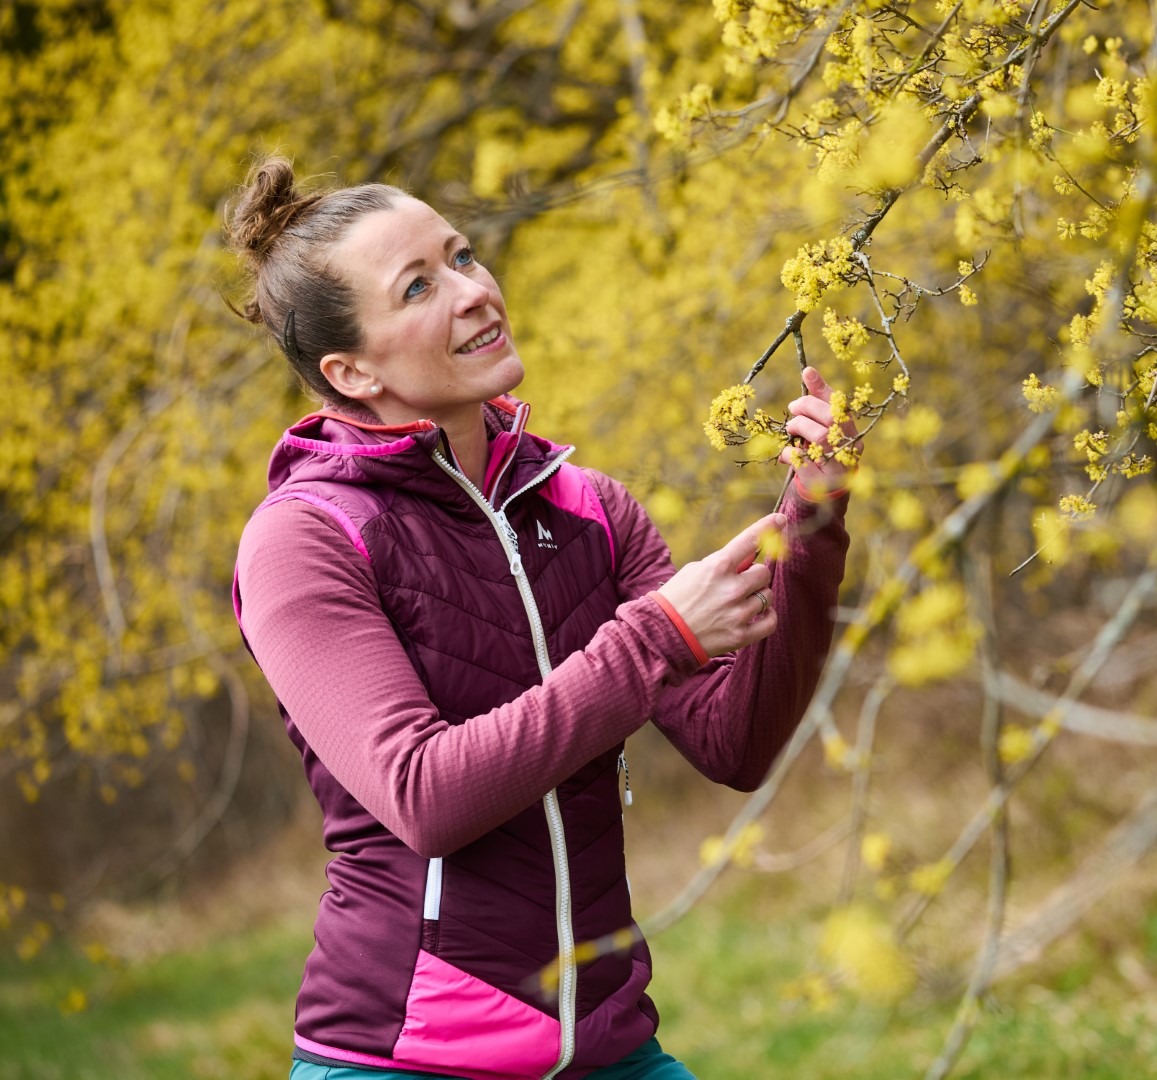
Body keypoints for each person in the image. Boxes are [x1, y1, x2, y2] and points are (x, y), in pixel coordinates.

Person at [226, 155, 853, 1080]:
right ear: (350, 370)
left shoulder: (589, 508)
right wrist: (657, 640)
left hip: (607, 1048)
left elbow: (735, 743)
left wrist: (814, 519)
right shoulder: (306, 541)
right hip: (408, 1061)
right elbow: (425, 795)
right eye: (419, 286)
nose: (474, 291)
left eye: (463, 255)